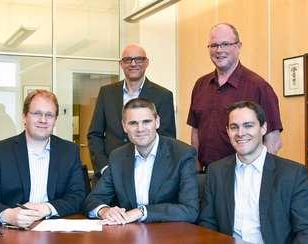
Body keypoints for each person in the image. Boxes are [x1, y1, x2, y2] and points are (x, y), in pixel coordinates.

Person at [198, 101, 308, 244]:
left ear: (263, 128)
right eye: (234, 127)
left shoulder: (292, 174)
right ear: (227, 131)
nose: (240, 133)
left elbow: (307, 232)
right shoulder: (215, 172)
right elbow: (207, 225)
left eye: (248, 125)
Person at [0, 89, 86, 228]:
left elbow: (78, 196)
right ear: (24, 117)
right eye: (37, 113)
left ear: (55, 120)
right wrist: (8, 215)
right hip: (10, 232)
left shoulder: (69, 151)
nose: (43, 120)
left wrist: (47, 208)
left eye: (49, 115)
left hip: (55, 230)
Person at [84, 98, 198, 225]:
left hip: (168, 234)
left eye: (146, 121)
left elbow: (190, 210)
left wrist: (142, 211)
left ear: (157, 122)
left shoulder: (182, 154)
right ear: (124, 126)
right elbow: (93, 199)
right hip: (128, 234)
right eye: (133, 123)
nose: (140, 129)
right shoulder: (117, 157)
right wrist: (105, 211)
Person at [187, 23, 283, 171]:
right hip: (206, 176)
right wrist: (196, 169)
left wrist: (257, 177)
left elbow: (273, 141)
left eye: (225, 44)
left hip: (242, 175)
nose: (219, 50)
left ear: (238, 46)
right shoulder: (200, 85)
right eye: (214, 45)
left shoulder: (259, 87)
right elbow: (195, 131)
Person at [88, 43, 176, 178]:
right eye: (127, 60)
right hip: (111, 172)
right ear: (121, 64)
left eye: (138, 59)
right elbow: (95, 134)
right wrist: (104, 167)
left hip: (148, 172)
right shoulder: (106, 93)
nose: (133, 63)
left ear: (146, 63)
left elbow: (167, 138)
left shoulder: (163, 95)